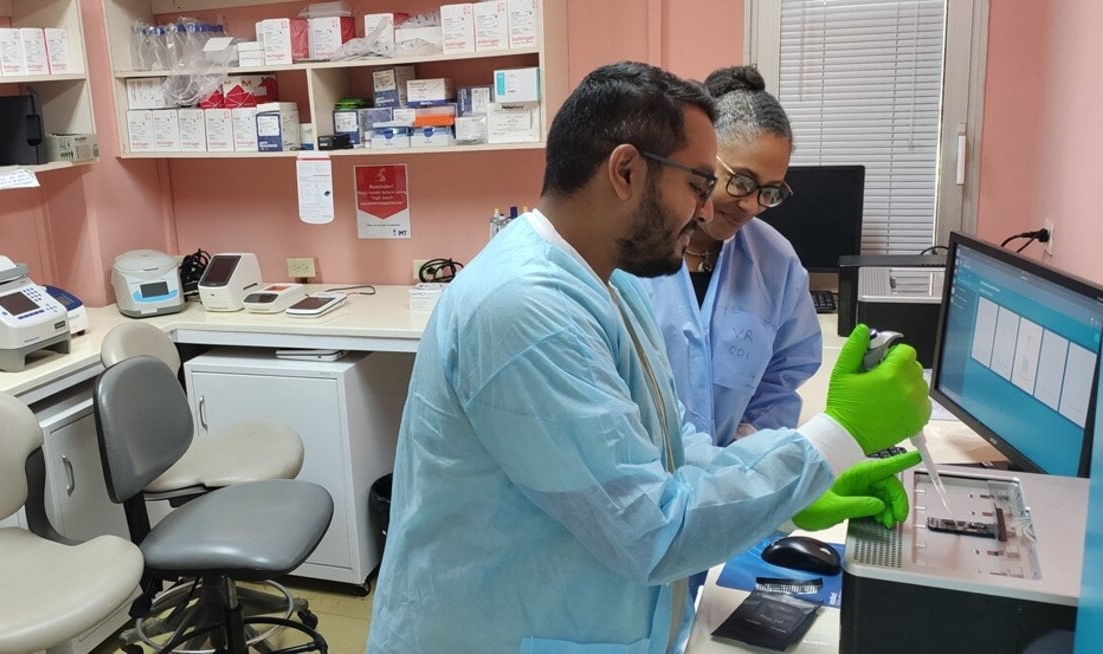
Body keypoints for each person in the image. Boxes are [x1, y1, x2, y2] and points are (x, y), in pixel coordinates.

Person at [366, 61, 930, 654]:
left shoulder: (614, 282)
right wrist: (836, 436)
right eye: (697, 183)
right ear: (627, 171)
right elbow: (648, 530)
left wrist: (801, 475)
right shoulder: (524, 310)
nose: (707, 208)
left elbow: (674, 449)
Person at [636, 65, 819, 447]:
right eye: (742, 182)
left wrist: (750, 442)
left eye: (771, 191)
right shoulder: (629, 256)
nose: (752, 205)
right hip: (643, 480)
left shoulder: (775, 263)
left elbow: (784, 372)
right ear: (703, 159)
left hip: (731, 483)